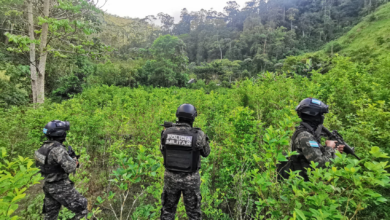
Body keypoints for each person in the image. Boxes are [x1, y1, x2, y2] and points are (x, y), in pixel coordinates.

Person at [160, 104, 211, 220]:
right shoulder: (198, 134)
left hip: (170, 178)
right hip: (191, 179)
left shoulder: (166, 132)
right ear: (193, 117)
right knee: (194, 214)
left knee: (167, 212)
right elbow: (206, 153)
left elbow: (164, 151)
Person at [34, 120, 88, 220]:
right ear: (60, 134)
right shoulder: (57, 149)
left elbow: (44, 167)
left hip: (48, 186)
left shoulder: (42, 149)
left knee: (50, 215)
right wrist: (74, 160)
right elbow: (70, 167)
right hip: (59, 186)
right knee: (82, 207)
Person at [290, 98, 344, 181]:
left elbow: (310, 153)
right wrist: (329, 148)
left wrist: (334, 150)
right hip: (306, 185)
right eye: (321, 114)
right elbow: (320, 164)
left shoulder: (304, 132)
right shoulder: (305, 136)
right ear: (314, 115)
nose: (322, 117)